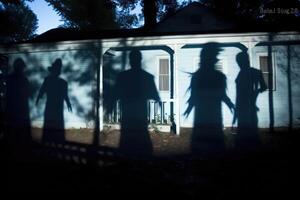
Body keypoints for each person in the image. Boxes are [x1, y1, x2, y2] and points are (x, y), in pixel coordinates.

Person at [184, 42, 234, 157]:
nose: (214, 59)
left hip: (213, 117)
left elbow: (222, 95)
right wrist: (189, 108)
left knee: (213, 149)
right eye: (212, 56)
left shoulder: (218, 77)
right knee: (203, 149)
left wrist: (230, 104)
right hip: (203, 117)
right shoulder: (199, 77)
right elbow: (194, 96)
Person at [109, 49, 160, 157]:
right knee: (139, 145)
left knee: (130, 145)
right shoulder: (146, 77)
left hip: (131, 117)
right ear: (139, 60)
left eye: (134, 59)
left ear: (131, 60)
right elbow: (156, 97)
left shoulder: (123, 77)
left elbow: (114, 96)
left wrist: (110, 107)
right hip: (137, 117)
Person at [234, 51, 266, 151]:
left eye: (240, 61)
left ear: (246, 60)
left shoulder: (254, 72)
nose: (239, 63)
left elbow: (263, 87)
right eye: (238, 62)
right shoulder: (246, 72)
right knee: (246, 132)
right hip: (243, 106)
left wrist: (254, 93)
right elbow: (239, 93)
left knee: (249, 131)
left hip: (247, 106)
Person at [36, 58, 72, 144]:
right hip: (51, 108)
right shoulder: (48, 80)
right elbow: (41, 91)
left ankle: (56, 143)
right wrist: (38, 99)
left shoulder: (63, 83)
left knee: (56, 128)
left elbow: (65, 95)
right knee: (50, 127)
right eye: (56, 69)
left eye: (58, 69)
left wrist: (68, 103)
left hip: (57, 109)